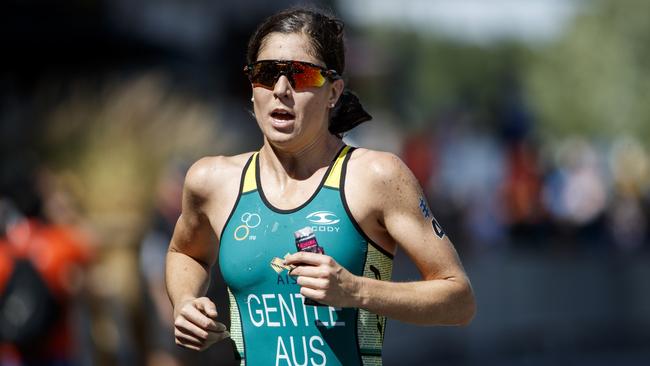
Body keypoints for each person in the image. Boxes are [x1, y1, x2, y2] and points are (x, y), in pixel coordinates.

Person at [166, 7, 475, 365]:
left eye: (300, 75)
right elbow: (185, 252)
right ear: (252, 87)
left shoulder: (377, 176)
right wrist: (186, 301)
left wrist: (357, 291)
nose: (281, 89)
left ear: (334, 91)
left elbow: (459, 300)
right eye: (267, 74)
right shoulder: (211, 181)